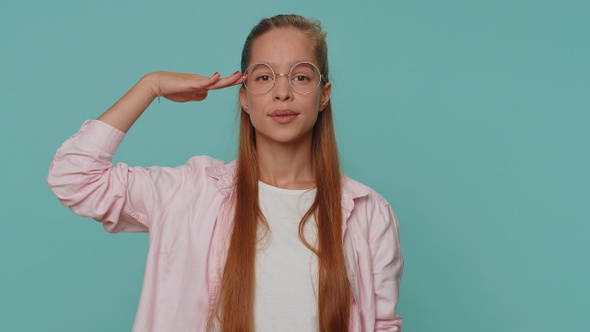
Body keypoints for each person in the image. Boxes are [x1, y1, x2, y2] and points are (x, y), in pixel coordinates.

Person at [47, 14, 403, 332]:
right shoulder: (189, 193)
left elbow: (382, 326)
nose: (282, 92)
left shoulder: (369, 213)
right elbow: (75, 176)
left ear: (323, 95)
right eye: (264, 77)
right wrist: (149, 86)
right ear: (244, 97)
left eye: (300, 76)